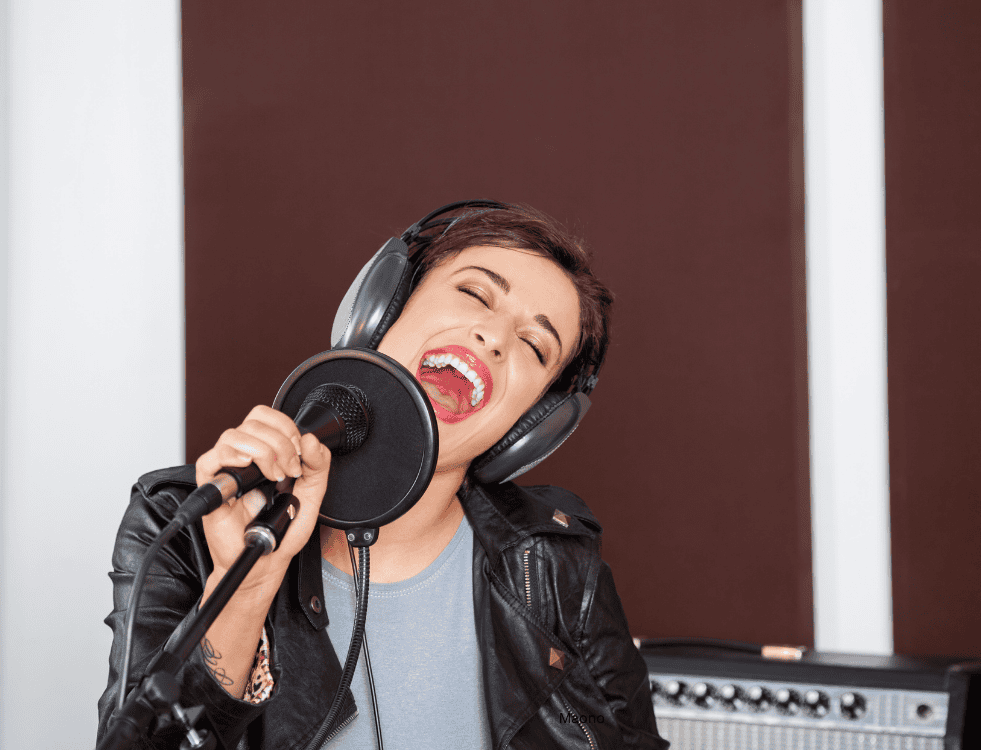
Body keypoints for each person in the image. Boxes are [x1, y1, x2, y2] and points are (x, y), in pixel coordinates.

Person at [98, 202, 668, 749]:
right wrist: (243, 588)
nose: (494, 338)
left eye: (533, 345)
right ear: (380, 309)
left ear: (530, 427)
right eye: (474, 293)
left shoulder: (558, 564)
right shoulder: (182, 518)